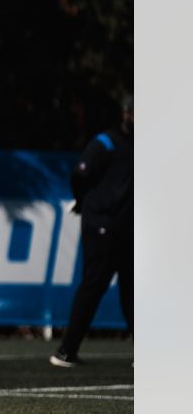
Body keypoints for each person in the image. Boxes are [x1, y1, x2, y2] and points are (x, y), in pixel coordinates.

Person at [51, 96, 133, 367]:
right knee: (94, 284)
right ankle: (66, 350)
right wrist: (85, 202)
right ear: (125, 113)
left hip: (128, 227)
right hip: (102, 225)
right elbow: (80, 174)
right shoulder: (107, 142)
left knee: (133, 289)